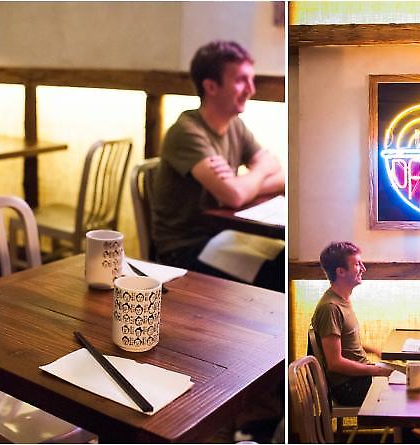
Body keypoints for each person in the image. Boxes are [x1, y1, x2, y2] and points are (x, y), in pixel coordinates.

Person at [151, 40, 284, 290]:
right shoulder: (187, 132)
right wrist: (259, 171)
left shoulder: (235, 125)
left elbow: (281, 177)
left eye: (251, 80)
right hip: (183, 249)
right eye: (241, 80)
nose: (251, 89)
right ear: (211, 86)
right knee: (278, 273)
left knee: (282, 256)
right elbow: (234, 196)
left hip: (222, 236)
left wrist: (245, 181)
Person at [311, 241, 392, 406]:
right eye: (357, 264)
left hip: (359, 378)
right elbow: (335, 363)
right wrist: (376, 370)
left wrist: (374, 350)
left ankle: (419, 431)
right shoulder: (330, 308)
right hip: (349, 387)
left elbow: (347, 344)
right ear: (341, 271)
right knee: (411, 389)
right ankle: (414, 431)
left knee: (415, 379)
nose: (363, 268)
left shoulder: (342, 301)